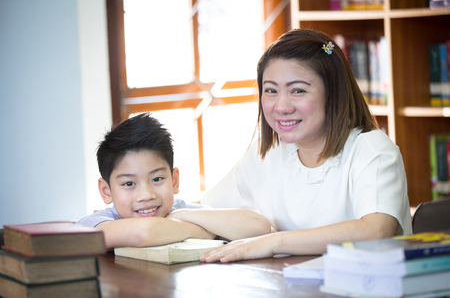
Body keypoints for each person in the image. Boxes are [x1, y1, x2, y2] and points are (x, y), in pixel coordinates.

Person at [195, 29, 412, 263]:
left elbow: (376, 230)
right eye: (271, 91)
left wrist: (274, 242)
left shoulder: (372, 150)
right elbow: (206, 209)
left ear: (333, 92)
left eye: (297, 90)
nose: (281, 106)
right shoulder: (266, 153)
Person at [77, 113, 271, 249]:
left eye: (157, 179)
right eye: (129, 184)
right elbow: (144, 232)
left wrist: (183, 214)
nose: (146, 195)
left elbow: (259, 227)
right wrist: (207, 231)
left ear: (174, 180)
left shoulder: (179, 211)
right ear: (106, 191)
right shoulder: (94, 223)